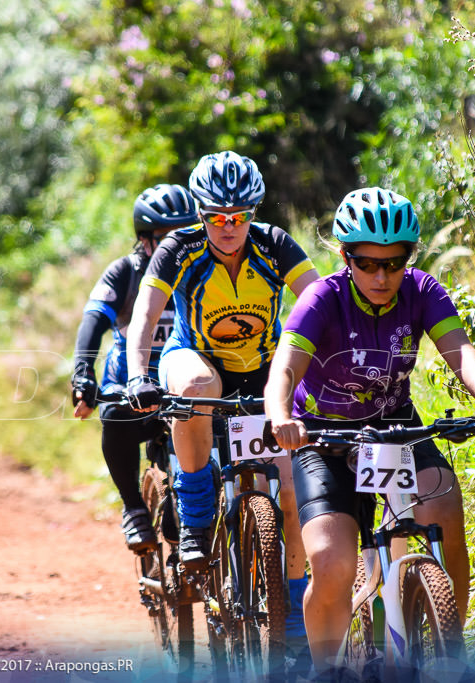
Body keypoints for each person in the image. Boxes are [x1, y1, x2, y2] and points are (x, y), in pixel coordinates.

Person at [265, 187, 475, 675]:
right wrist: (281, 416)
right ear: (344, 257)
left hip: (393, 425)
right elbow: (285, 369)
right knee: (333, 562)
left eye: (395, 262)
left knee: (444, 510)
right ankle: (326, 669)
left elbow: (460, 350)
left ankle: (450, 654)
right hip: (322, 434)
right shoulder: (323, 298)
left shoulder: (422, 292)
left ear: (410, 256)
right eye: (367, 263)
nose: (382, 276)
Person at [123, 150, 320, 641]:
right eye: (216, 217)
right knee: (194, 388)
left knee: (291, 490)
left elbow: (320, 301)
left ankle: (292, 606)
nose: (228, 227)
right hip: (196, 358)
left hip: (262, 371)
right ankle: (194, 511)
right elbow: (145, 318)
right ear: (201, 213)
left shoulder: (274, 245)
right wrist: (135, 376)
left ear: (252, 213)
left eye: (239, 217)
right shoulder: (178, 247)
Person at [70, 183, 198, 553]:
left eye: (186, 234)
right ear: (144, 241)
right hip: (132, 387)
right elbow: (92, 322)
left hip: (187, 386)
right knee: (115, 420)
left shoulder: (205, 271)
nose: (177, 245)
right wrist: (83, 374)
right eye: (165, 238)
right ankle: (133, 508)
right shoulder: (125, 273)